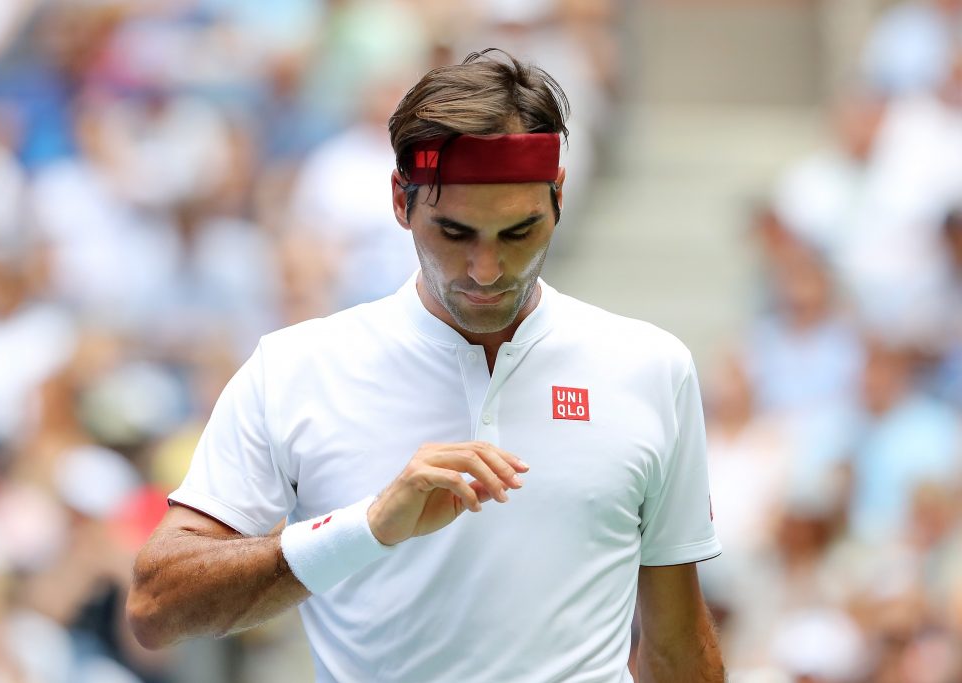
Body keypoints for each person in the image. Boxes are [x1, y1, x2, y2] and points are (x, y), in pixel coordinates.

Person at [126, 49, 724, 682]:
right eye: (455, 233)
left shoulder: (652, 367)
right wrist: (367, 526)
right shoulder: (294, 369)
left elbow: (677, 648)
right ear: (399, 202)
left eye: (519, 233)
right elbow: (156, 607)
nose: (486, 272)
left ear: (558, 200)